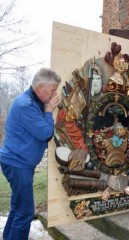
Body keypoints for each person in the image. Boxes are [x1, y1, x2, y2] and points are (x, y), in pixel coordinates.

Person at [0, 68, 61, 240]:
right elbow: (45, 133)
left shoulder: (33, 102)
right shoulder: (26, 105)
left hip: (19, 163)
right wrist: (49, 111)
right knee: (25, 212)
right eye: (52, 90)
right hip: (17, 165)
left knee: (17, 208)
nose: (54, 94)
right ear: (40, 87)